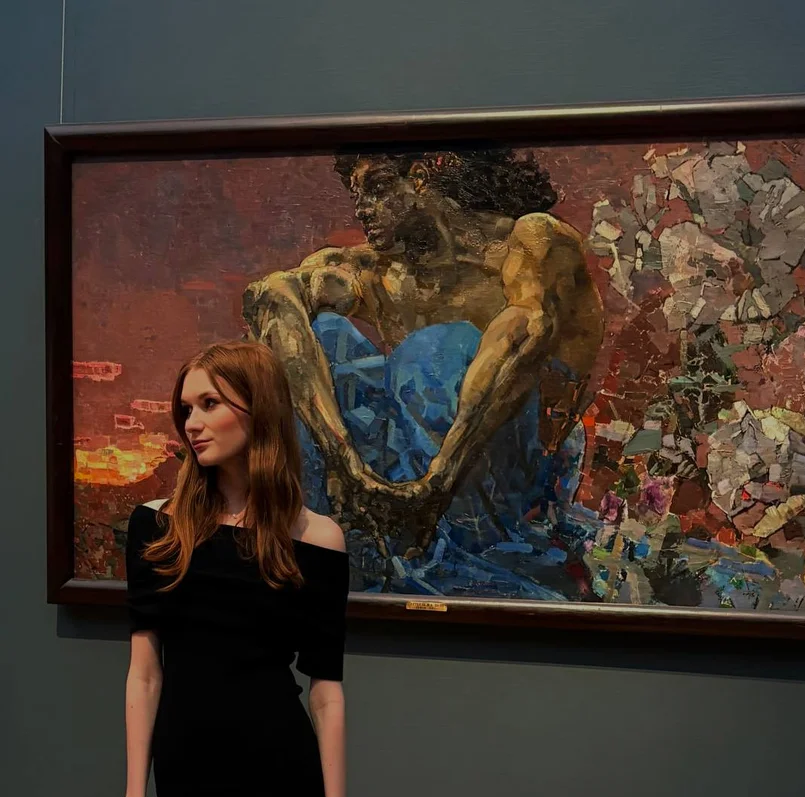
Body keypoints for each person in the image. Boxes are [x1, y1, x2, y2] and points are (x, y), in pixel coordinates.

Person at [243, 148, 604, 555]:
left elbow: (524, 337)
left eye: (377, 188)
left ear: (418, 177)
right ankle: (338, 518)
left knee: (434, 351)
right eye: (356, 194)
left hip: (507, 471)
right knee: (322, 332)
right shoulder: (372, 270)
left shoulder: (531, 240)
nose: (361, 209)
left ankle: (434, 533)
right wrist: (343, 461)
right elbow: (271, 296)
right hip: (391, 473)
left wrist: (438, 483)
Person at [122, 340, 349, 797]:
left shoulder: (318, 540)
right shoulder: (156, 527)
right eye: (186, 408)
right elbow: (144, 676)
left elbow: (326, 693)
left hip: (281, 796)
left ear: (259, 410)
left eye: (209, 404)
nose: (191, 423)